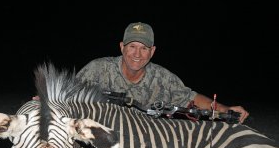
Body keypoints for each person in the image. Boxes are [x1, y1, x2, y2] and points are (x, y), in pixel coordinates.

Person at [75, 22, 249, 123]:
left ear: (152, 52)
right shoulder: (96, 70)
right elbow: (65, 100)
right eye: (132, 47)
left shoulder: (163, 78)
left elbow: (191, 97)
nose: (137, 54)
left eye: (144, 48)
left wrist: (225, 109)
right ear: (122, 47)